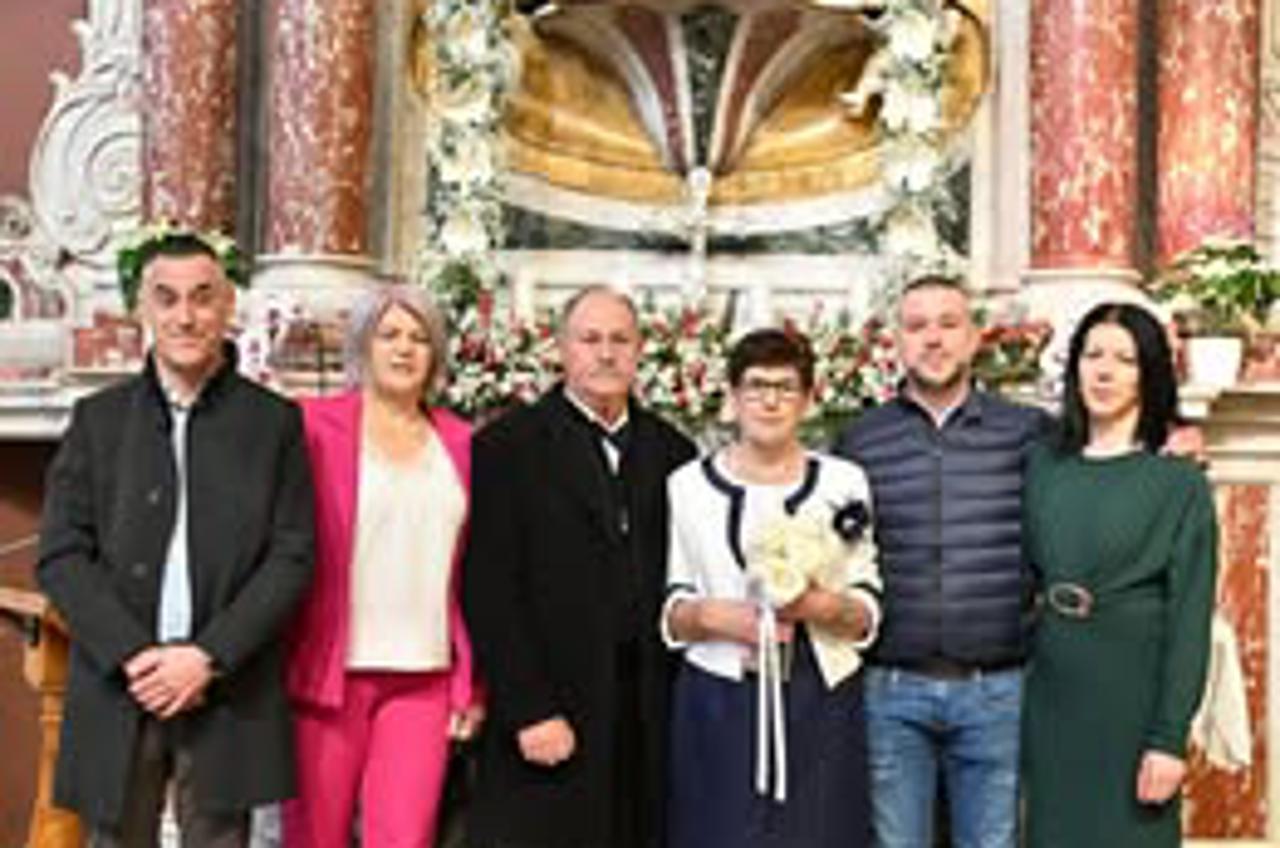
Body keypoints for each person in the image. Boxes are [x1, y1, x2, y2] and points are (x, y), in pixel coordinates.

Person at [37, 229, 315, 845]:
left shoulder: (274, 423)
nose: (185, 317)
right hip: (121, 683)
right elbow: (60, 553)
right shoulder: (99, 420)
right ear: (143, 309)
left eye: (202, 297)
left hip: (227, 685)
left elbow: (292, 556)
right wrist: (136, 656)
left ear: (227, 306)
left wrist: (206, 657)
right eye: (167, 299)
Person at [463, 285, 697, 848]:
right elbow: (489, 587)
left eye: (620, 339)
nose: (606, 353)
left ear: (640, 350)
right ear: (561, 349)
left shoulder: (674, 454)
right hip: (551, 708)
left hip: (643, 714)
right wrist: (529, 708)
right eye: (590, 339)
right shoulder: (507, 446)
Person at [834, 275, 1043, 848]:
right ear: (896, 341)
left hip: (996, 691)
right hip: (891, 692)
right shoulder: (860, 441)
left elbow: (1100, 462)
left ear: (975, 337)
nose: (933, 339)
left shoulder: (1027, 433)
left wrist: (1169, 433)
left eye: (949, 324)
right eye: (917, 325)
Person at [662, 329, 881, 848]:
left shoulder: (844, 482)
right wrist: (715, 617)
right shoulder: (686, 486)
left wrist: (815, 606)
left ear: (808, 400)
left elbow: (868, 604)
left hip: (819, 694)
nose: (770, 400)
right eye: (757, 386)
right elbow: (672, 609)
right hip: (719, 693)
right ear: (733, 397)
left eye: (785, 387)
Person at [282, 283, 482, 847]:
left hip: (426, 677)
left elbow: (475, 573)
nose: (404, 348)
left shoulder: (462, 442)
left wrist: (471, 683)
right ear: (362, 345)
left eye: (420, 338)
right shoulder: (311, 427)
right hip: (328, 676)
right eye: (389, 334)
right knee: (314, 838)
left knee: (405, 838)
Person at [1022, 302, 1218, 847]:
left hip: (1132, 700)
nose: (1104, 372)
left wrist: (1169, 739)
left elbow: (1190, 623)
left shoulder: (1179, 483)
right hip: (1051, 697)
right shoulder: (1043, 465)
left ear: (1148, 373)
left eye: (1124, 360)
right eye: (1093, 356)